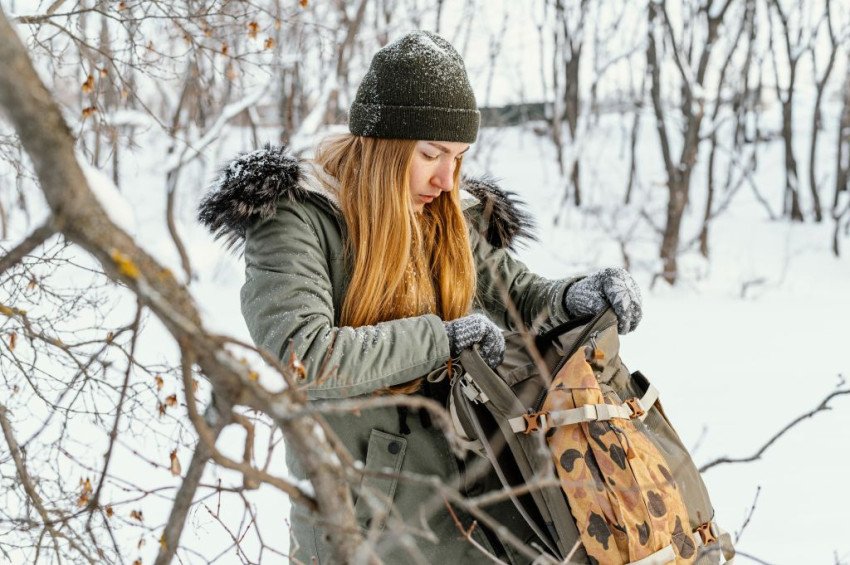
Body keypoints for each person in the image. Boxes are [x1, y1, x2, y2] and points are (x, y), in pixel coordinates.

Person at [199, 30, 642, 564]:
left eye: (458, 157)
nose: (447, 177)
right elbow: (304, 356)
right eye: (431, 154)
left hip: (478, 510)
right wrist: (441, 340)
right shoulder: (296, 221)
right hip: (366, 521)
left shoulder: (444, 214)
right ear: (384, 146)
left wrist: (577, 296)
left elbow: (516, 293)